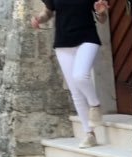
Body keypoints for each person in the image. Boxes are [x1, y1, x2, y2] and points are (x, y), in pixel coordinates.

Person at [30, 0, 108, 148]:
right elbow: (48, 12)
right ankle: (89, 134)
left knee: (80, 75)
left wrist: (101, 12)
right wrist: (39, 19)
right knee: (75, 91)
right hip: (63, 42)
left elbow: (102, 19)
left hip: (87, 38)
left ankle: (95, 105)